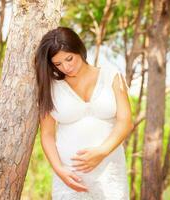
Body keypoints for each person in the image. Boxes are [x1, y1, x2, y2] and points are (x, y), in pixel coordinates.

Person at [34, 26, 134, 199]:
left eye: (69, 59)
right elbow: (47, 134)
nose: (66, 67)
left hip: (109, 173)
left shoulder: (111, 76)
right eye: (58, 64)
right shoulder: (50, 88)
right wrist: (59, 170)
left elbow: (125, 121)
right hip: (70, 177)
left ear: (79, 49)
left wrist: (101, 152)